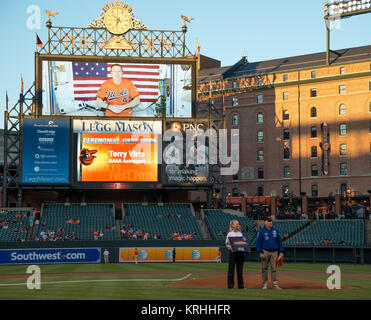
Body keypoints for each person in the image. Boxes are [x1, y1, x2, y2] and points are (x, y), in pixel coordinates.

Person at [256, 216, 284, 290]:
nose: (270, 222)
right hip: (265, 251)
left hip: (275, 252)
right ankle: (264, 284)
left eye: (271, 221)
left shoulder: (276, 230)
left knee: (274, 269)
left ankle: (274, 285)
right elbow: (258, 242)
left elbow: (280, 241)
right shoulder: (261, 231)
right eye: (268, 221)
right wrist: (260, 252)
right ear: (265, 222)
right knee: (264, 268)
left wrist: (281, 252)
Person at [225, 220, 245, 289]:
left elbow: (242, 243)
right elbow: (227, 244)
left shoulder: (240, 233)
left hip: (240, 252)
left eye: (238, 224)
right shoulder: (230, 233)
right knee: (231, 269)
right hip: (232, 252)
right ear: (232, 225)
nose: (237, 225)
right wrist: (231, 247)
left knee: (240, 269)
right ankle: (230, 285)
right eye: (236, 224)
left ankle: (241, 285)